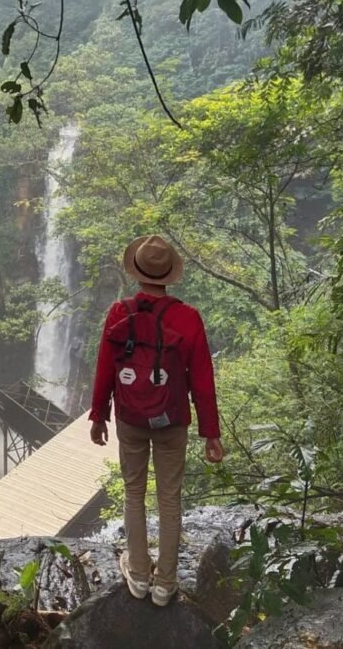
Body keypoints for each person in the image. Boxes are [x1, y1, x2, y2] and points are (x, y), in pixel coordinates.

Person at [89, 234, 224, 607]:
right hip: (173, 419)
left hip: (130, 417)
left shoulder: (120, 312)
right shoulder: (188, 317)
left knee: (134, 493)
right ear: (169, 274)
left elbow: (105, 370)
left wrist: (99, 415)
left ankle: (137, 574)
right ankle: (165, 584)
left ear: (136, 272)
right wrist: (210, 433)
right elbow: (202, 381)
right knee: (169, 499)